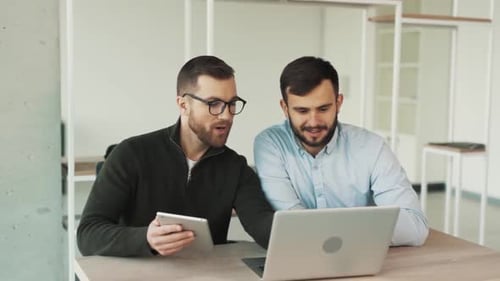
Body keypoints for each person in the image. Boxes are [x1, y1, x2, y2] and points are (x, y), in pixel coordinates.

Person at [77, 55, 274, 257]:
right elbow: (88, 235)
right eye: (213, 104)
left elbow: (262, 226)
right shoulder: (131, 154)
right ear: (183, 105)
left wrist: (298, 229)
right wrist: (146, 238)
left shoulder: (236, 168)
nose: (226, 115)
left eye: (232, 103)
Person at [253, 56, 428, 246]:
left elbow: (415, 226)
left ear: (339, 103)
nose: (313, 122)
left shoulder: (372, 147)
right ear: (285, 108)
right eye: (302, 111)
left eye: (323, 109)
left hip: (362, 262)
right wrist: (365, 228)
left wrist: (328, 230)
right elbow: (291, 224)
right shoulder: (270, 144)